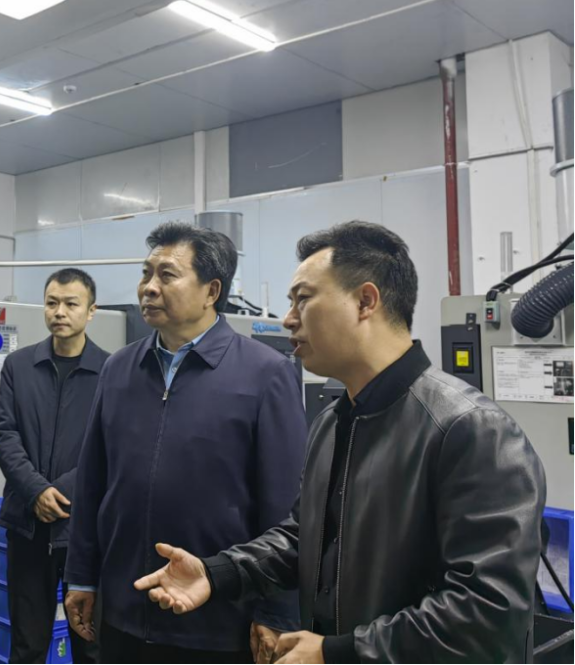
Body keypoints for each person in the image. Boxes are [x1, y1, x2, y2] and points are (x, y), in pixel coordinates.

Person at [134, 221, 547, 665]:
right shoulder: (333, 423)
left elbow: (489, 613)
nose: (288, 318)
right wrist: (216, 574)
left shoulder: (471, 430)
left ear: (366, 301)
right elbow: (306, 537)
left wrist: (338, 653)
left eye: (303, 299)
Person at [64, 222, 307, 664]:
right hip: (123, 611)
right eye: (146, 273)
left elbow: (286, 506)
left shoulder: (266, 374)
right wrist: (81, 575)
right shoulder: (119, 369)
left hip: (217, 621)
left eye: (167, 275)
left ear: (212, 291)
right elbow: (93, 482)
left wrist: (277, 610)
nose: (149, 287)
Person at [0, 268, 109, 665]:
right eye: (52, 303)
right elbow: (4, 434)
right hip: (27, 526)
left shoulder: (111, 371)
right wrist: (35, 491)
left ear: (91, 311)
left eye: (71, 304)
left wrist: (63, 492)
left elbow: (110, 447)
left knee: (91, 644)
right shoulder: (19, 365)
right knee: (27, 645)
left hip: (84, 530)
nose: (60, 312)